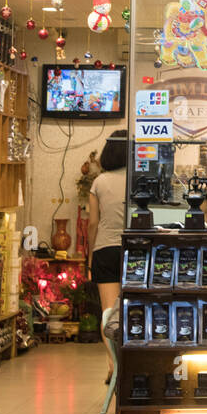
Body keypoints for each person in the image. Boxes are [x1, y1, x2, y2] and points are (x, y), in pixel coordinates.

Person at [87, 131, 127, 384]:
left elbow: (93, 223)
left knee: (109, 312)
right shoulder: (139, 178)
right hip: (136, 250)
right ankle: (132, 362)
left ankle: (113, 365)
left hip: (106, 249)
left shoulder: (99, 182)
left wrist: (92, 253)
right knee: (136, 308)